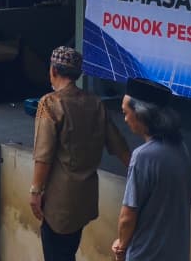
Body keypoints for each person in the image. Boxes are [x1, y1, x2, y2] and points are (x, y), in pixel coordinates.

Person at [30, 46, 131, 261]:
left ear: (53, 71)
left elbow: (43, 156)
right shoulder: (95, 102)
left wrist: (35, 192)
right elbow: (119, 146)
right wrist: (140, 174)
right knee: (68, 252)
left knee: (57, 255)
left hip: (59, 202)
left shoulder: (50, 103)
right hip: (84, 199)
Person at [112, 78, 191, 261]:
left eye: (126, 113)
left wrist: (121, 247)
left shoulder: (143, 156)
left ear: (141, 114)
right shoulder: (181, 148)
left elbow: (128, 216)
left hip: (146, 254)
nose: (125, 119)